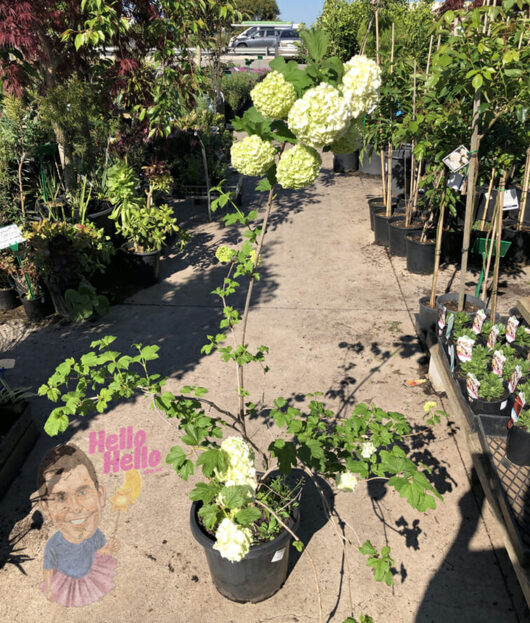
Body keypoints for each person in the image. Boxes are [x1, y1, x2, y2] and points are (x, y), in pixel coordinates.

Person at [36, 443, 119, 607]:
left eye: (82, 492)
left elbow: (96, 553)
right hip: (67, 580)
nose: (74, 507)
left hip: (89, 575)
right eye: (60, 497)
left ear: (100, 495)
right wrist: (50, 588)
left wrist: (107, 550)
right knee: (72, 598)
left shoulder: (95, 535)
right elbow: (48, 569)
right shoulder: (53, 545)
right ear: (45, 508)